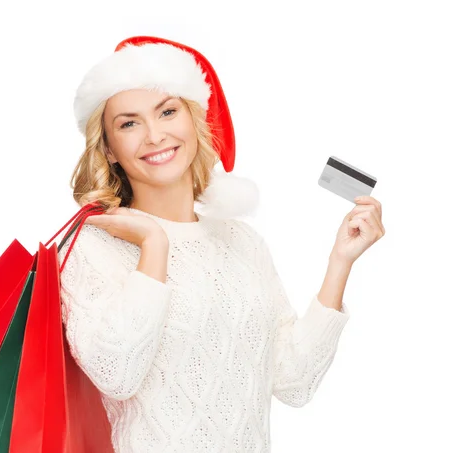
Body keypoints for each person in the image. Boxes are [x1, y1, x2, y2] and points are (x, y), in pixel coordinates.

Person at [57, 36, 385, 453]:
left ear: (194, 121)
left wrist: (341, 261)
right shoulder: (90, 248)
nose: (155, 135)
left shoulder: (240, 241)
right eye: (129, 123)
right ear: (109, 148)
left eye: (168, 111)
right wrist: (153, 246)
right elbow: (116, 373)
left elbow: (293, 381)